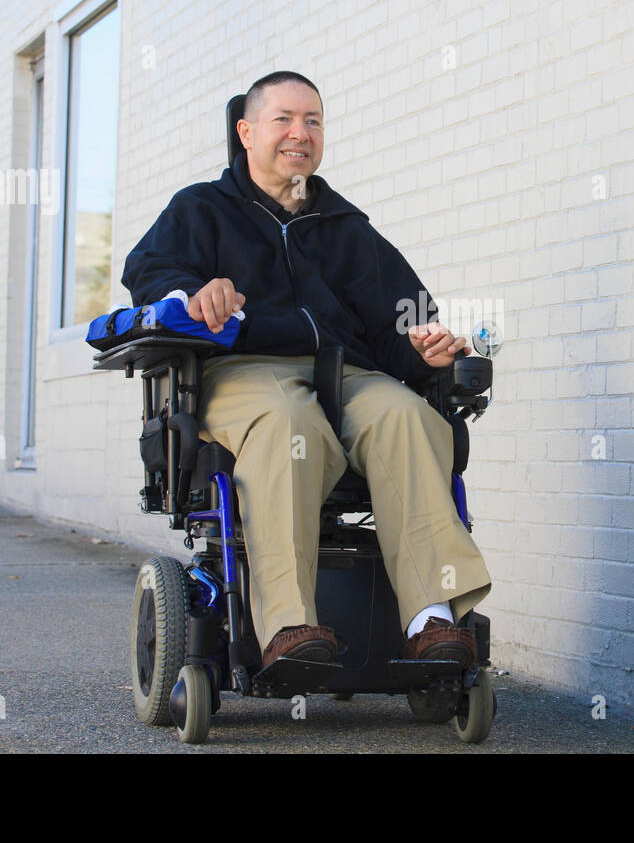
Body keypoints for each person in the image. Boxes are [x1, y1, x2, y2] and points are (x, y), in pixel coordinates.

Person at [121, 71, 491, 671]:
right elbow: (151, 274)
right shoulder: (200, 210)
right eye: (284, 119)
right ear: (245, 131)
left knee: (407, 416)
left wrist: (423, 350)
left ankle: (432, 620)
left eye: (313, 121)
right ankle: (289, 625)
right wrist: (193, 293)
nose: (301, 133)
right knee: (289, 422)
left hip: (343, 373)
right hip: (241, 370)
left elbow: (403, 319)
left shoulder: (346, 227)